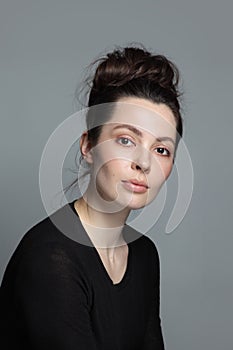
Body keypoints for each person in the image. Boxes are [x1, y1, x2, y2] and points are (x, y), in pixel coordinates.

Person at [0, 44, 183, 349]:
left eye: (161, 149)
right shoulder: (50, 258)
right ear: (88, 146)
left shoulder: (144, 254)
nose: (144, 162)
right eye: (126, 140)